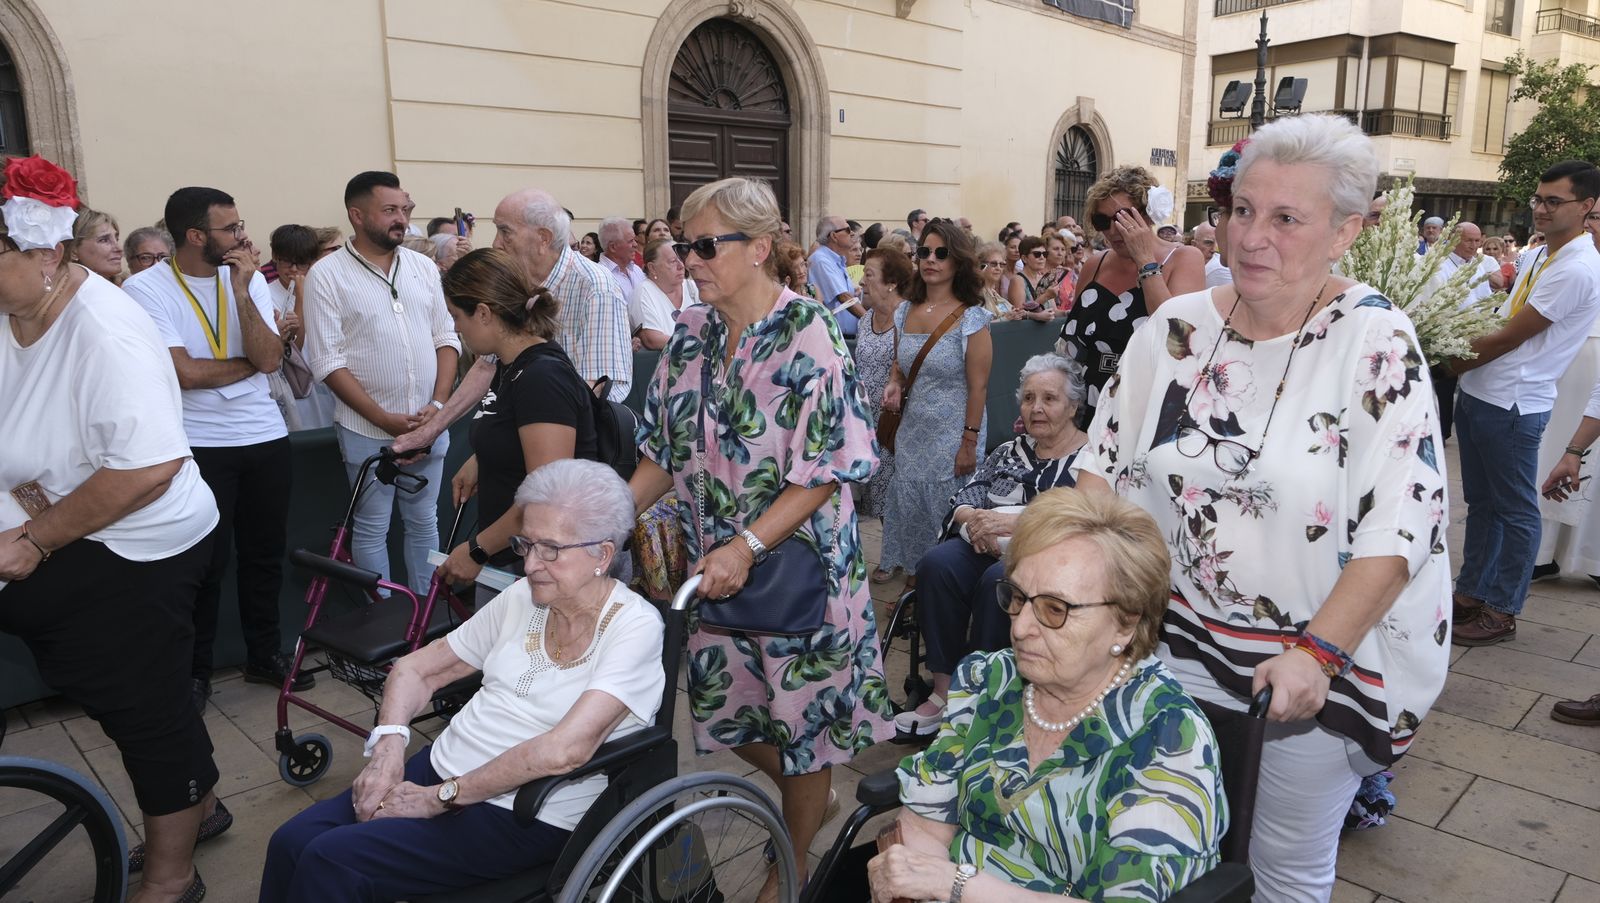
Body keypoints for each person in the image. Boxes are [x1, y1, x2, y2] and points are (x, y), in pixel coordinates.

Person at [1073, 113, 1451, 900]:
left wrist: (1317, 656)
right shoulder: (1173, 329)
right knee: (1157, 843)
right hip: (1166, 642)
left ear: (1346, 232)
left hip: (1315, 662)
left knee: (1280, 870)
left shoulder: (1373, 340)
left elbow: (1403, 520)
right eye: (1241, 209)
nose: (1251, 236)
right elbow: (1100, 470)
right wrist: (1087, 600)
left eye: (1286, 217)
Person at [630, 176, 894, 900]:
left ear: (760, 248)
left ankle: (794, 859)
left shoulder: (810, 329)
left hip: (798, 570)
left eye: (706, 245)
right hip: (712, 569)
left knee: (802, 724)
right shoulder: (689, 332)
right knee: (726, 711)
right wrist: (604, 520)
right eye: (685, 246)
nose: (690, 259)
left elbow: (827, 469)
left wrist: (747, 544)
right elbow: (660, 451)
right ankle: (810, 796)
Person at [262, 459, 664, 902]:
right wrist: (388, 748)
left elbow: (566, 750)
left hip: (524, 811)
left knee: (332, 862)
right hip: (440, 769)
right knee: (291, 841)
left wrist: (442, 797)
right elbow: (417, 668)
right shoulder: (522, 598)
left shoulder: (634, 627)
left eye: (550, 549)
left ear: (602, 555)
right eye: (525, 544)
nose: (530, 564)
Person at [0, 155, 222, 903]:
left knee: (143, 710)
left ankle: (172, 874)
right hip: (63, 526)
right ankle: (200, 801)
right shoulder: (14, 309)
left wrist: (34, 536)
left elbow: (143, 468)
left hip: (136, 545)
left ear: (45, 251)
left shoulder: (105, 329)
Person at [869, 489, 1225, 903]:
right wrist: (914, 883)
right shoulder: (991, 680)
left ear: (1125, 625)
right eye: (1018, 598)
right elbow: (925, 826)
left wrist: (957, 885)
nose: (1019, 628)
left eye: (1055, 609)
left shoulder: (1167, 737)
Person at [123, 188, 307, 710]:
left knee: (264, 556)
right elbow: (183, 373)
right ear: (196, 236)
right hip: (199, 444)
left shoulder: (248, 282)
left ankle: (264, 653)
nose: (243, 236)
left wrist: (245, 293)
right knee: (203, 564)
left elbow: (271, 355)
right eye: (231, 229)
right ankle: (195, 671)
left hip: (265, 437)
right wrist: (253, 364)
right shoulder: (146, 290)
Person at [893, 354, 1089, 736]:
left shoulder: (1091, 460)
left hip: (1049, 558)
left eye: (1049, 399)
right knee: (937, 563)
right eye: (1028, 398)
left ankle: (984, 696)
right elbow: (964, 498)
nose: (1036, 408)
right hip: (984, 540)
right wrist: (977, 520)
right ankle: (944, 692)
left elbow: (1082, 521)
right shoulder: (1009, 450)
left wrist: (1014, 525)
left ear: (1073, 406)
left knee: (999, 582)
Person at [1450, 160, 1600, 645]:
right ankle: (1471, 593)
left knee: (1515, 510)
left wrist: (1445, 358)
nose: (1540, 209)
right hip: (1481, 392)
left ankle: (1502, 608)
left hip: (1514, 401)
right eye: (1538, 199)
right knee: (1483, 504)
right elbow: (1501, 313)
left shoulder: (1578, 267)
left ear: (1588, 206)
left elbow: (1511, 336)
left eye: (1554, 201)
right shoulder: (1540, 255)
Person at [303, 171, 461, 597]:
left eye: (404, 210)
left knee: (425, 522)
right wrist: (385, 421)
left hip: (430, 424)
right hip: (367, 430)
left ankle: (425, 619)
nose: (401, 219)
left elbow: (446, 337)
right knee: (372, 529)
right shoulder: (327, 275)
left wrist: (437, 405)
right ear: (357, 215)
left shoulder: (423, 266)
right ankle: (383, 623)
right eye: (389, 210)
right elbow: (326, 360)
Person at [392, 189, 632, 461]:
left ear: (543, 238)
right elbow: (486, 365)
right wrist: (429, 432)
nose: (495, 243)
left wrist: (501, 442)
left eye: (505, 232)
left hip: (568, 464)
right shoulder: (518, 279)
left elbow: (599, 387)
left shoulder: (596, 288)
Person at [433, 248, 598, 607]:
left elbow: (546, 496)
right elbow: (512, 429)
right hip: (514, 558)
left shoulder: (541, 376)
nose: (456, 328)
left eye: (456, 316)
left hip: (540, 567)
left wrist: (476, 549)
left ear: (483, 313)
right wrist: (483, 458)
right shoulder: (512, 366)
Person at [878, 221, 994, 589]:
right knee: (911, 507)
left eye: (941, 253)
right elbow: (900, 362)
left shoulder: (972, 317)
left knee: (945, 509)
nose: (930, 260)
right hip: (914, 429)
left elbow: (979, 388)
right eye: (924, 252)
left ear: (957, 261)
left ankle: (942, 589)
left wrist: (969, 442)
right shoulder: (904, 311)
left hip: (954, 431)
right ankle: (915, 587)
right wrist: (894, 383)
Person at [1059, 166, 1205, 427]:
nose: (1113, 230)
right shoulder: (1095, 264)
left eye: (1123, 217)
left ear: (1148, 215)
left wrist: (1145, 262)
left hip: (1144, 407)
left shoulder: (1184, 259)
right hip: (1085, 405)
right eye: (1102, 221)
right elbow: (1070, 344)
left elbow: (1177, 337)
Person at [856, 246, 912, 526]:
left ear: (891, 283)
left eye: (869, 274)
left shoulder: (908, 319)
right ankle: (891, 554)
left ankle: (896, 557)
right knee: (876, 491)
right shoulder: (865, 319)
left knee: (896, 492)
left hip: (897, 422)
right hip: (869, 422)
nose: (862, 282)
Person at [264, 224, 337, 431]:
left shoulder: (324, 290)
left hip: (324, 384)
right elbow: (294, 349)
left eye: (302, 263)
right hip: (292, 385)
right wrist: (301, 298)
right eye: (287, 261)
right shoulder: (266, 294)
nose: (294, 270)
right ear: (275, 257)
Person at [628, 237, 696, 351]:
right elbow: (652, 339)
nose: (681, 266)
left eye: (681, 259)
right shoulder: (643, 292)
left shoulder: (692, 287)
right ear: (652, 268)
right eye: (673, 261)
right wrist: (696, 347)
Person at [809, 214, 866, 337]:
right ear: (834, 236)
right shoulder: (822, 260)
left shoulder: (837, 260)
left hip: (845, 336)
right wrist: (870, 322)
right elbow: (844, 298)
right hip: (836, 338)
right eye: (847, 229)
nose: (851, 233)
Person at [70, 207, 124, 284]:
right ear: (73, 252)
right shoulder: (66, 294)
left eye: (117, 239)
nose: (119, 249)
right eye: (104, 240)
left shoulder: (130, 288)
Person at [599, 216, 648, 299]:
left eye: (634, 240)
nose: (636, 245)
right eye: (630, 241)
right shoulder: (600, 277)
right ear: (613, 247)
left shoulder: (636, 270)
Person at [974, 240, 1011, 317]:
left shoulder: (994, 294)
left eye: (1001, 264)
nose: (998, 268)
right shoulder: (976, 294)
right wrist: (1006, 319)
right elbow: (979, 325)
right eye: (994, 264)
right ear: (982, 266)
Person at [1194, 222, 1232, 287]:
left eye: (1219, 242)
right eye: (1208, 243)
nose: (1214, 249)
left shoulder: (1219, 270)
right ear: (1194, 245)